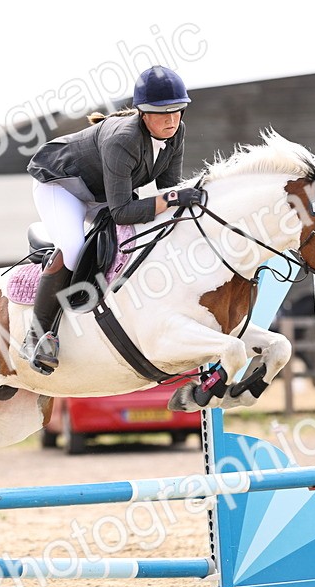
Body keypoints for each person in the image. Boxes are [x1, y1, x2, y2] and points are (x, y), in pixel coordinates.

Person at [22, 65, 203, 374]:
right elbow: (123, 211)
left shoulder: (176, 133)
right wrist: (173, 199)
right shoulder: (123, 139)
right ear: (143, 113)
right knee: (74, 249)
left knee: (138, 236)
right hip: (62, 185)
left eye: (177, 111)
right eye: (162, 113)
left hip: (101, 192)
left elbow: (167, 189)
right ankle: (36, 336)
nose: (171, 120)